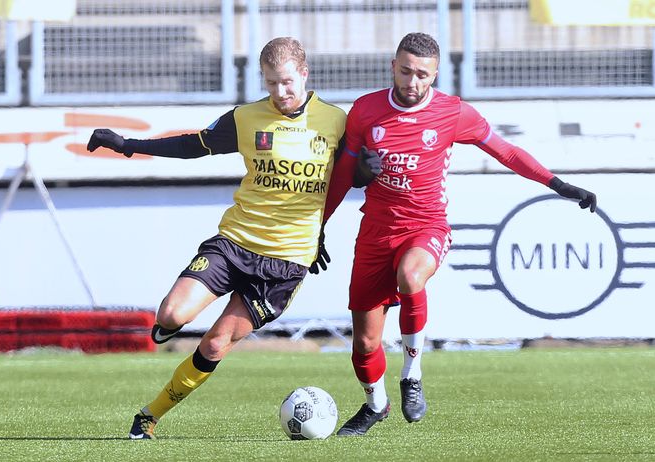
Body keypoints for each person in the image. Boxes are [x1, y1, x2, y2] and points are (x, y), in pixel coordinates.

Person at [316, 32, 597, 437]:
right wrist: (319, 227)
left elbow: (507, 151)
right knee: (363, 344)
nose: (413, 83)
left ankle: (412, 374)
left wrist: (558, 185)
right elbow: (345, 172)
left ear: (435, 75)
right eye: (407, 71)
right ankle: (375, 404)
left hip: (427, 225)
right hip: (376, 230)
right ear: (393, 66)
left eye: (423, 75)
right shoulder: (364, 111)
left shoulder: (453, 112)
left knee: (412, 277)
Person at [86, 37, 350, 439]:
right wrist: (128, 147)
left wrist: (321, 231)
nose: (279, 92)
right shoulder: (245, 118)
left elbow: (345, 179)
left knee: (214, 345)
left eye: (286, 82)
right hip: (234, 242)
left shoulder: (334, 121)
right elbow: (194, 145)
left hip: (286, 263)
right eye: (270, 83)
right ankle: (168, 327)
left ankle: (149, 416)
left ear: (305, 74)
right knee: (171, 315)